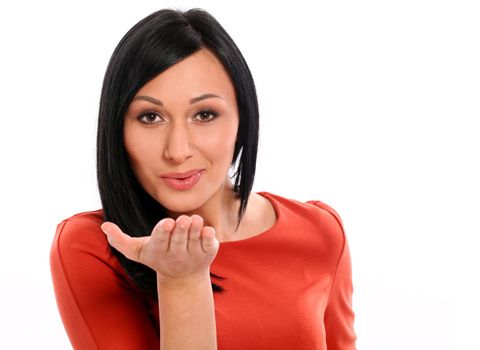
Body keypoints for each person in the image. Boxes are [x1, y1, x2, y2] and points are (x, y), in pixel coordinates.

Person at [50, 8, 356, 350]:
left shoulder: (320, 231)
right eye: (150, 117)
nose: (178, 151)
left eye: (205, 114)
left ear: (243, 118)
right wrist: (181, 280)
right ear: (117, 129)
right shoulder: (96, 246)